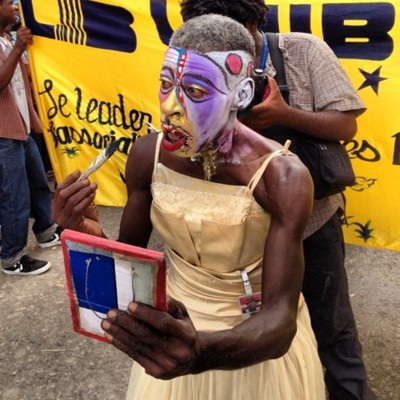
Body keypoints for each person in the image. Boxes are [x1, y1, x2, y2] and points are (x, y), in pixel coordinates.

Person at [53, 13, 326, 399]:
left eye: (195, 91)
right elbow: (131, 260)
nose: (170, 106)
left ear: (241, 94)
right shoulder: (147, 155)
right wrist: (85, 230)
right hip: (176, 336)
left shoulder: (281, 177)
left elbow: (280, 323)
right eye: (166, 84)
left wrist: (200, 351)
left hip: (249, 348)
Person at [180, 1, 375, 399]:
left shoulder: (302, 51)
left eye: (233, 39)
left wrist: (284, 115)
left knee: (332, 325)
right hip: (240, 235)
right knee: (259, 328)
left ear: (254, 23)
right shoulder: (193, 62)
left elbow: (346, 124)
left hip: (312, 224)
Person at [0, 0, 60, 276]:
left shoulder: (7, 38)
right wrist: (18, 49)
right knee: (15, 196)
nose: (15, 7)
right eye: (8, 3)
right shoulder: (11, 44)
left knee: (38, 184)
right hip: (4, 134)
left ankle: (46, 231)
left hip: (21, 126)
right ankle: (12, 257)